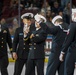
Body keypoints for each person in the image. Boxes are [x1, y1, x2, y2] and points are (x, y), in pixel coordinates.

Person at [59, 9, 76, 75]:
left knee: (68, 71)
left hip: (73, 51)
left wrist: (62, 52)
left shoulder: (73, 25)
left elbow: (68, 40)